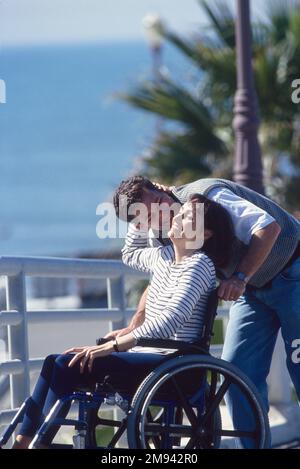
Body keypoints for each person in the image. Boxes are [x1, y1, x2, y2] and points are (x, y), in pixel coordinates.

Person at [11, 194, 235, 449]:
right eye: (180, 212)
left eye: (187, 216)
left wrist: (114, 346)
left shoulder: (200, 265)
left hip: (172, 364)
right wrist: (140, 211)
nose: (177, 216)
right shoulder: (164, 257)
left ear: (205, 234)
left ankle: (39, 444)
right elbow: (131, 253)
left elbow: (171, 321)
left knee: (67, 365)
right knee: (54, 362)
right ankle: (22, 443)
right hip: (148, 358)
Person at [112, 175, 300, 447]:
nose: (161, 209)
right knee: (237, 371)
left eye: (157, 199)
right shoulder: (168, 233)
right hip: (252, 290)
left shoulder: (207, 195)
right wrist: (135, 325)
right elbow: (154, 274)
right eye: (150, 212)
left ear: (160, 188)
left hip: (291, 272)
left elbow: (268, 228)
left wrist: (239, 277)